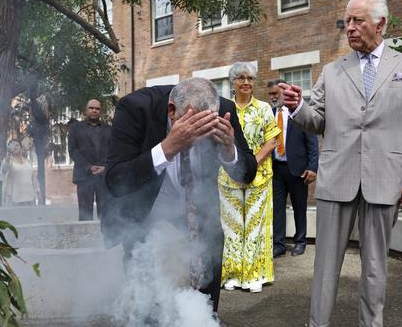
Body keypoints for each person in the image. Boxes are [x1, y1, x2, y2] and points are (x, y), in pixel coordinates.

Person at [281, 0, 402, 327]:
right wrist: (297, 108)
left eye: (357, 21)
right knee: (325, 267)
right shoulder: (332, 72)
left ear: (381, 23)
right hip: (337, 180)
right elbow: (316, 119)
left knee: (375, 266)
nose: (349, 28)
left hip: (385, 180)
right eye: (347, 21)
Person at [103, 77, 257, 314]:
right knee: (149, 304)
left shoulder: (224, 110)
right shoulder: (135, 108)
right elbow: (115, 179)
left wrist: (230, 151)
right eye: (195, 125)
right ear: (172, 111)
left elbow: (247, 173)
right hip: (147, 219)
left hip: (201, 221)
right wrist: (168, 147)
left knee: (203, 303)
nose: (201, 136)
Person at [219, 62, 281, 293]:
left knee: (254, 226)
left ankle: (254, 275)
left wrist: (252, 163)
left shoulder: (264, 108)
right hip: (228, 175)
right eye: (241, 78)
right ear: (232, 82)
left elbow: (272, 140)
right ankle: (233, 274)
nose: (246, 82)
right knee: (232, 226)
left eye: (250, 78)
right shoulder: (223, 107)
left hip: (259, 176)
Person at [267, 80, 318, 258]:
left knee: (299, 207)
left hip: (298, 169)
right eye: (270, 94)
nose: (272, 97)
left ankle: (300, 242)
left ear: (284, 92)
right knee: (277, 209)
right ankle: (278, 244)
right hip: (276, 170)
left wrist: (313, 167)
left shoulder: (298, 112)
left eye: (275, 93)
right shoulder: (270, 114)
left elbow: (312, 140)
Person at [67, 99, 111, 220]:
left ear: (100, 111)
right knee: (85, 214)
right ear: (86, 110)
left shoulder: (109, 129)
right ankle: (85, 239)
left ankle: (105, 238)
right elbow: (72, 151)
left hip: (103, 177)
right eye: (91, 108)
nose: (94, 110)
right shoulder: (75, 128)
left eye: (97, 108)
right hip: (84, 176)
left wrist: (105, 167)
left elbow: (114, 152)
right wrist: (88, 167)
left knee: (105, 215)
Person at [0, 139, 39, 206]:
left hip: (30, 199)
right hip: (14, 201)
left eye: (17, 145)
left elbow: (34, 178)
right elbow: (4, 169)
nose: (15, 147)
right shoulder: (8, 161)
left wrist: (38, 191)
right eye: (12, 146)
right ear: (10, 148)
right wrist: (8, 155)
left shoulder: (28, 162)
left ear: (20, 147)